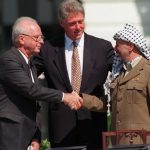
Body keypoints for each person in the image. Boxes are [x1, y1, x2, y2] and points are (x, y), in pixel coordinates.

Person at [33, 0, 114, 149]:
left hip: (93, 122)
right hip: (61, 126)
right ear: (62, 23)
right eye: (72, 23)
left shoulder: (103, 47)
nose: (78, 27)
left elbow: (122, 75)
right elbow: (27, 78)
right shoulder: (48, 49)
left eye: (81, 22)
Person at [0, 16, 83, 150]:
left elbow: (34, 103)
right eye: (37, 38)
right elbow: (31, 90)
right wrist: (64, 96)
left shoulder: (30, 63)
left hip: (27, 133)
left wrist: (35, 135)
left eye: (42, 37)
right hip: (11, 131)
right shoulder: (9, 60)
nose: (41, 41)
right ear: (22, 39)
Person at [110, 23, 150, 144]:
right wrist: (81, 99)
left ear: (131, 46)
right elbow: (110, 103)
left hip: (140, 143)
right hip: (118, 142)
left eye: (118, 45)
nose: (115, 49)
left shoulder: (147, 70)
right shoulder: (120, 72)